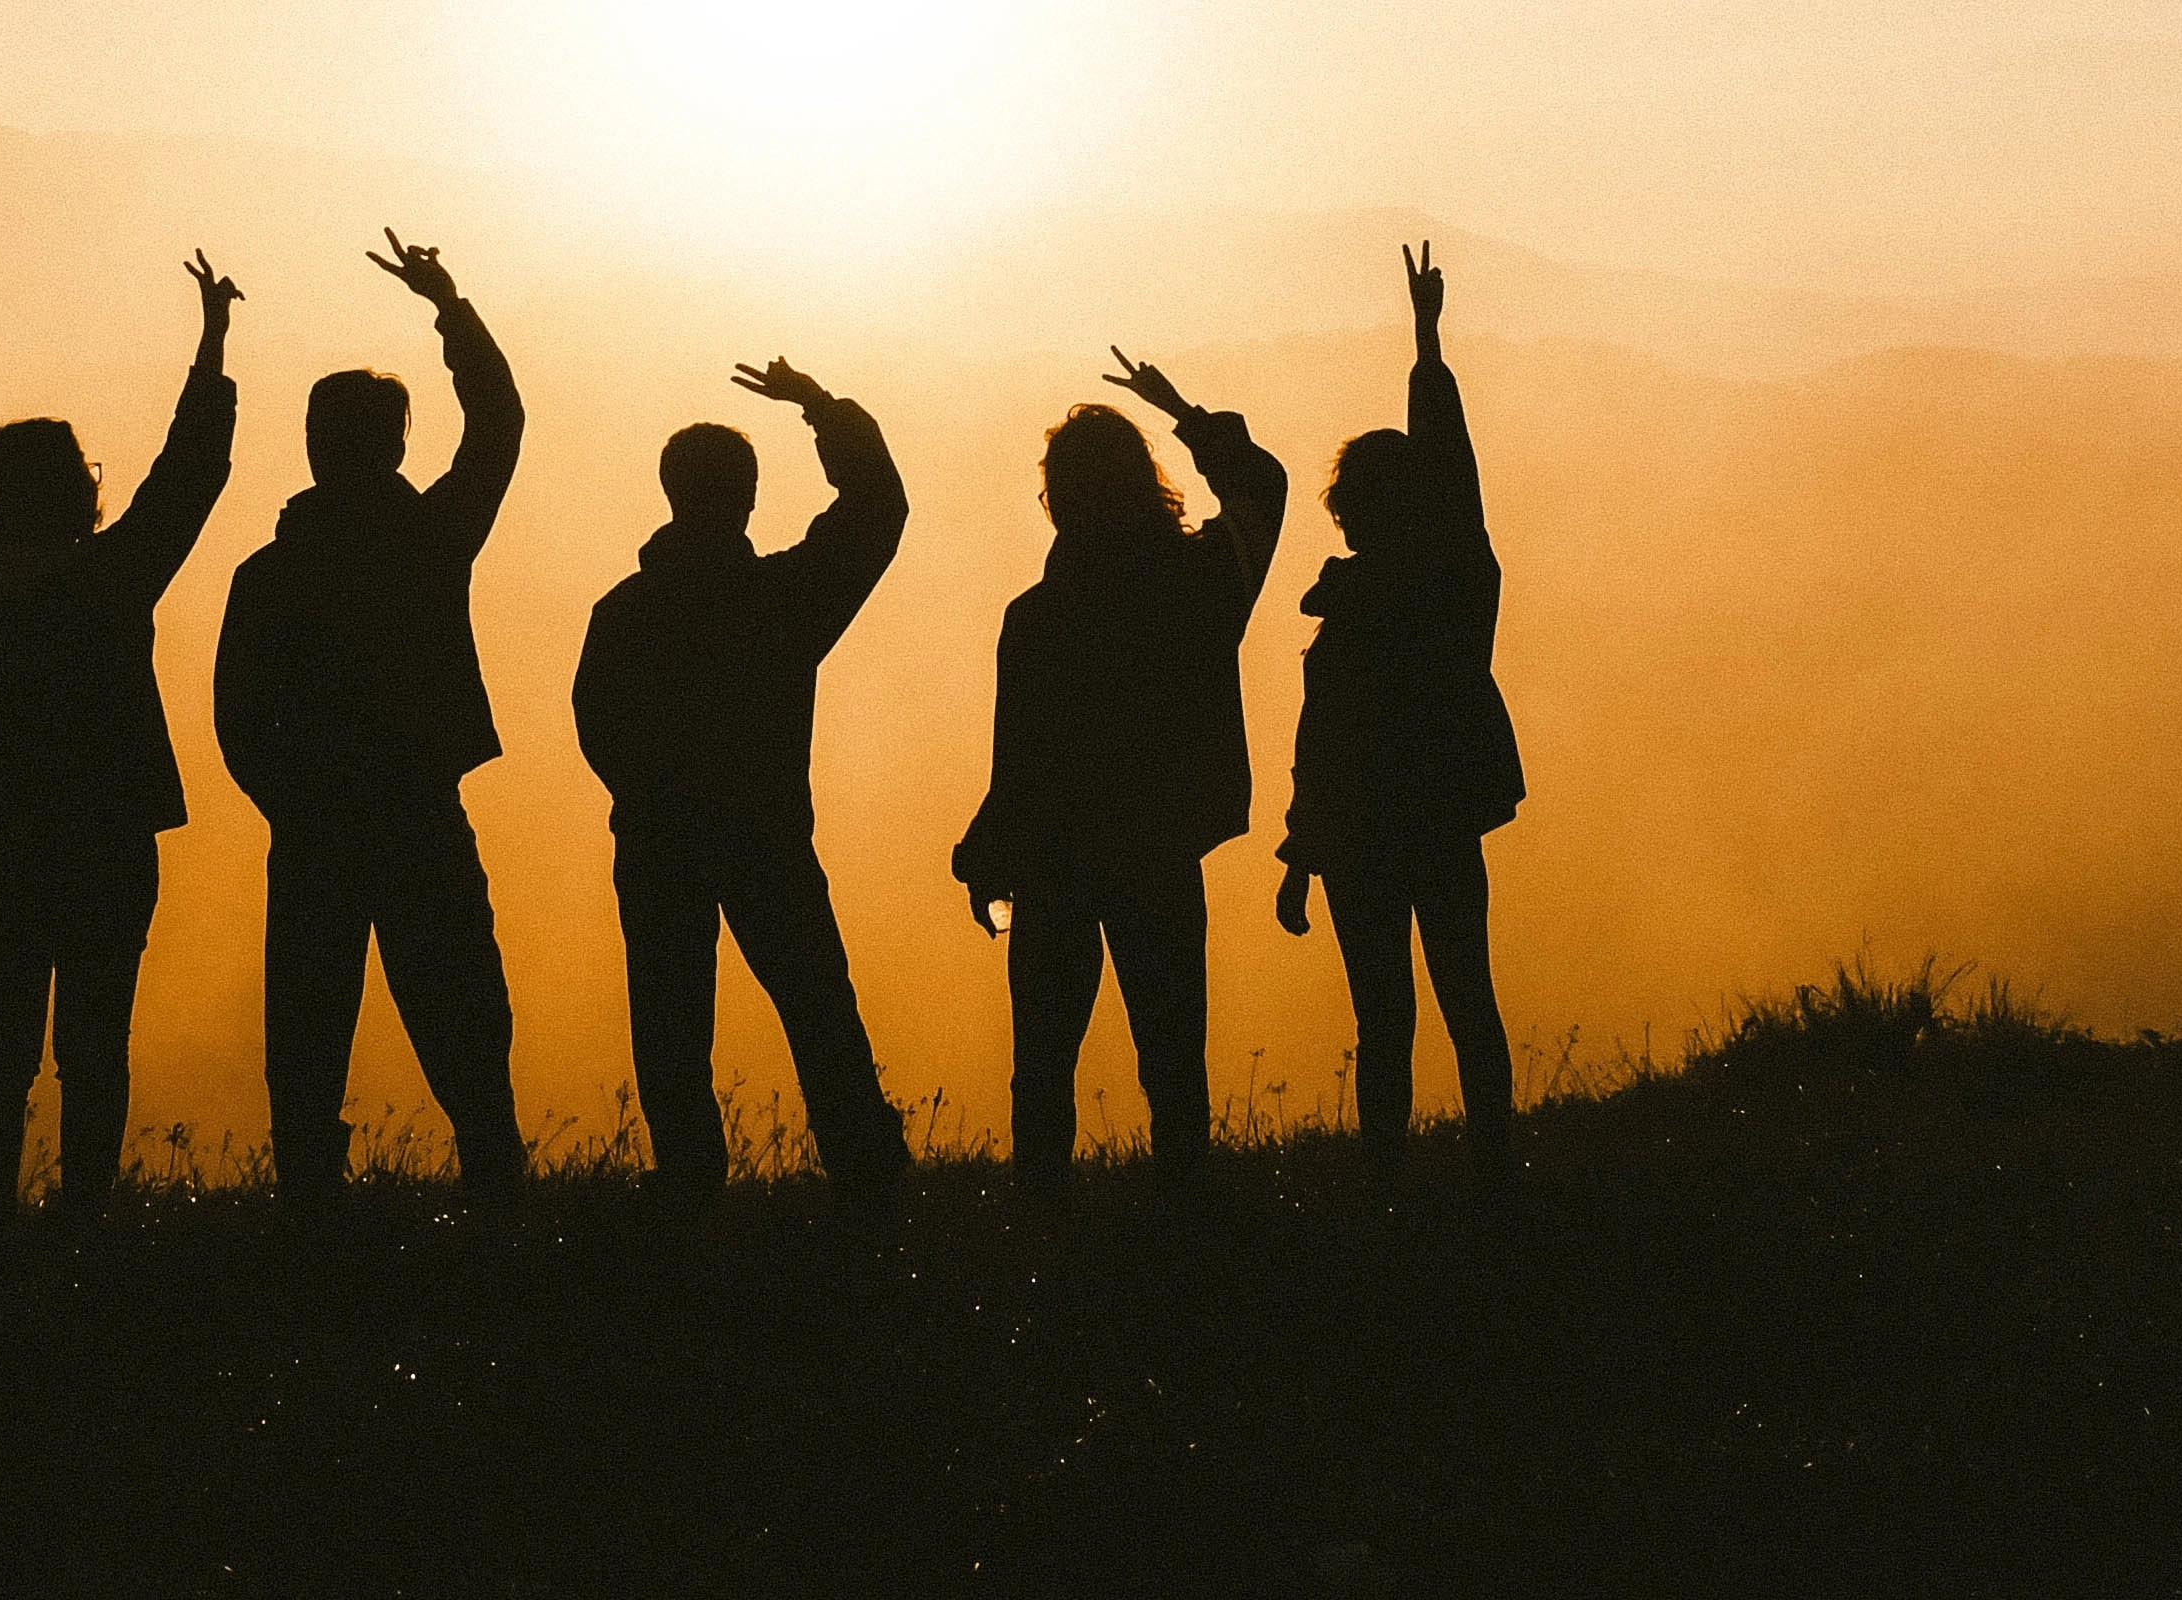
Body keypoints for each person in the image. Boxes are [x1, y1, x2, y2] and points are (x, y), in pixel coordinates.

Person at [0, 252, 245, 1224]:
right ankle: (85, 1220)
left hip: (6, 832)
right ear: (74, 491)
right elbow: (188, 477)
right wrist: (213, 345)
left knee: (0, 1047)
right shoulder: (110, 579)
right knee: (95, 1044)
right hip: (106, 834)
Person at [213, 231, 529, 1206]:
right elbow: (500, 423)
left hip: (312, 827)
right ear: (394, 443)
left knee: (305, 1034)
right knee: (464, 1021)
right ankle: (496, 1196)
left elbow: (236, 718)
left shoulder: (271, 572)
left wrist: (291, 799)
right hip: (417, 813)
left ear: (315, 443)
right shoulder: (428, 541)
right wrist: (449, 302)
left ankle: (310, 1213)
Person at [571, 358, 918, 1202]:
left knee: (669, 1021)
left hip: (657, 841)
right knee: (817, 1006)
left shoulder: (623, 611)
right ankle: (867, 1171)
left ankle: (690, 1182)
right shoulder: (782, 599)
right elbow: (880, 508)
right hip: (767, 837)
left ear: (670, 494)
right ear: (751, 497)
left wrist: (651, 796)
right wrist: (819, 407)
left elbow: (596, 725)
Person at [956, 349, 1286, 1193]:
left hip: (1056, 862)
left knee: (1043, 1070)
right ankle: (1186, 1233)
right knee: (1174, 1060)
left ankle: (1039, 1230)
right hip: (1160, 851)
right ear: (1146, 484)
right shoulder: (1204, 581)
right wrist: (1182, 410)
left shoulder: (1033, 619)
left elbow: (1018, 760)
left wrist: (984, 859)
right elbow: (1264, 487)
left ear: (1058, 502)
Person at [1276, 242, 1525, 1172]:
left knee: (1384, 1016)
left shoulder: (1364, 604)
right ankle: (1492, 1167)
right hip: (1440, 820)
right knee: (1468, 996)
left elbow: (1322, 748)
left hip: (1359, 840)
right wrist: (1425, 345)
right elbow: (1453, 469)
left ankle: (1388, 1180)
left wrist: (1303, 854)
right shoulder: (1458, 579)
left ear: (1348, 508)